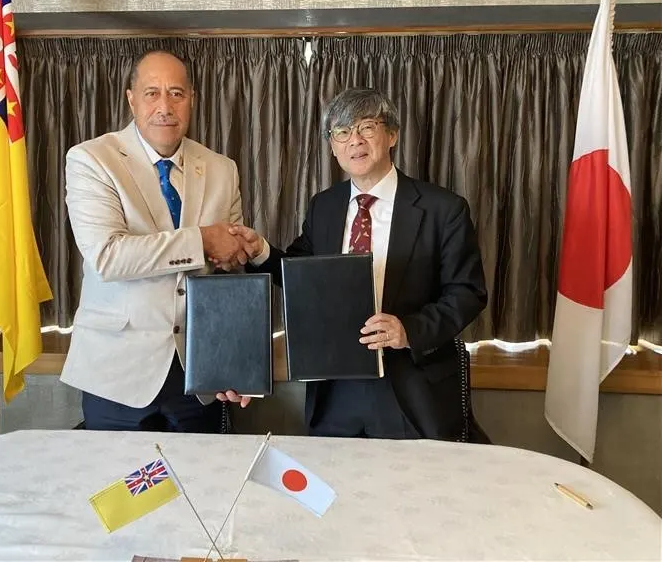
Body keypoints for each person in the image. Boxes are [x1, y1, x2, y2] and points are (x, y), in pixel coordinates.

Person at [228, 87, 488, 440]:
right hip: (334, 389)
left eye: (367, 127)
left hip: (410, 387)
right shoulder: (325, 206)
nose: (355, 141)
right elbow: (300, 273)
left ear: (392, 135)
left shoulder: (443, 209)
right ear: (333, 146)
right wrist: (260, 249)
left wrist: (409, 330)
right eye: (342, 132)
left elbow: (467, 292)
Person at [61, 50, 253, 432]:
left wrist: (234, 360)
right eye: (152, 93)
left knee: (200, 488)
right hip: (116, 376)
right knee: (122, 489)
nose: (165, 106)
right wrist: (202, 242)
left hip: (199, 378)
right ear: (131, 98)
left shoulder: (221, 168)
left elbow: (230, 278)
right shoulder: (91, 159)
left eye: (176, 93)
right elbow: (109, 257)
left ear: (192, 99)